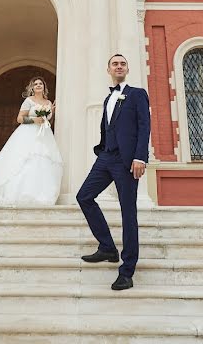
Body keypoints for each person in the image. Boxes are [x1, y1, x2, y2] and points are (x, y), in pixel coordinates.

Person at [76, 54, 150, 291]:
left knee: (128, 212)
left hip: (127, 161)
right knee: (84, 196)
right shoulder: (109, 97)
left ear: (127, 68)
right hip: (106, 157)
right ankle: (107, 247)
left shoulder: (137, 94)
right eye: (115, 64)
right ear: (108, 69)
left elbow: (144, 126)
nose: (119, 66)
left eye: (123, 63)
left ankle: (127, 271)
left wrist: (140, 157)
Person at [0, 76, 62, 206]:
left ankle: (39, 194)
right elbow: (20, 118)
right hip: (28, 133)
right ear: (32, 88)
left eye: (40, 84)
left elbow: (48, 121)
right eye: (35, 84)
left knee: (42, 161)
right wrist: (34, 120)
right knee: (25, 160)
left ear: (44, 87)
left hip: (44, 135)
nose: (38, 85)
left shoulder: (48, 103)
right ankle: (19, 194)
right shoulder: (29, 100)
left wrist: (51, 113)